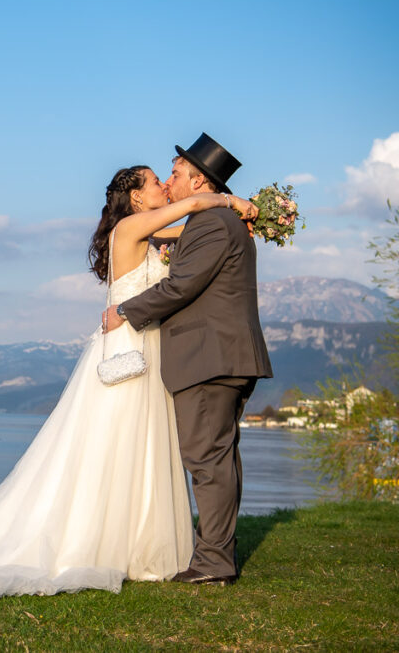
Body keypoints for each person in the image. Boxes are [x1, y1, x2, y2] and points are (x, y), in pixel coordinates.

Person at [0, 162, 258, 599]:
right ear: (135, 197)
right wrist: (232, 201)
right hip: (129, 348)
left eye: (166, 178)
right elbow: (192, 206)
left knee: (140, 446)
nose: (164, 186)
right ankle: (103, 541)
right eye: (155, 182)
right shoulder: (132, 228)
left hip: (147, 349)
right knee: (114, 445)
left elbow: (190, 230)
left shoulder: (149, 230)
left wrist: (237, 221)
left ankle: (141, 543)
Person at [103, 133, 273, 586]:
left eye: (175, 174)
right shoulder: (211, 222)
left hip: (210, 358)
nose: (170, 179)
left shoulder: (212, 225)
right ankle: (216, 553)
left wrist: (125, 311)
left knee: (208, 462)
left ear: (199, 181)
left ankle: (214, 563)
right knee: (218, 460)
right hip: (221, 357)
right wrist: (237, 204)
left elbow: (183, 286)